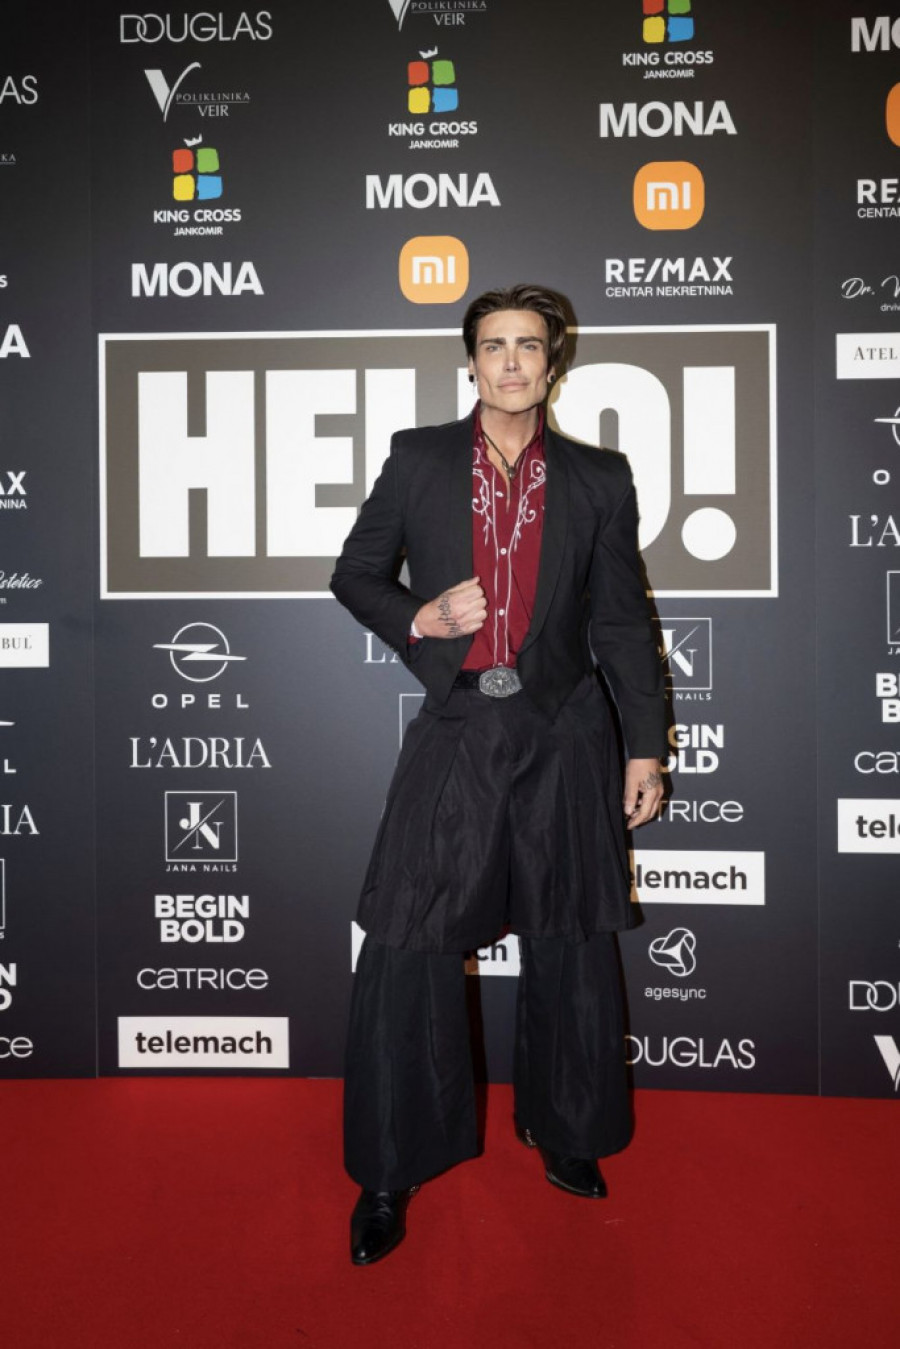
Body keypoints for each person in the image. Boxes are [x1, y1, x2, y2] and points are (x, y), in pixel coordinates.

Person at [330, 283, 666, 1266]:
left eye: (528, 345)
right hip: (461, 720)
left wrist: (644, 744)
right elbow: (354, 573)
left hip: (566, 726)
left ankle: (566, 1126)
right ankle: (391, 1166)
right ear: (470, 360)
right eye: (492, 345)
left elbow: (621, 619)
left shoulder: (600, 477)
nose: (510, 361)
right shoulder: (420, 458)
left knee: (570, 931)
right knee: (408, 937)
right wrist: (421, 618)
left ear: (553, 361)